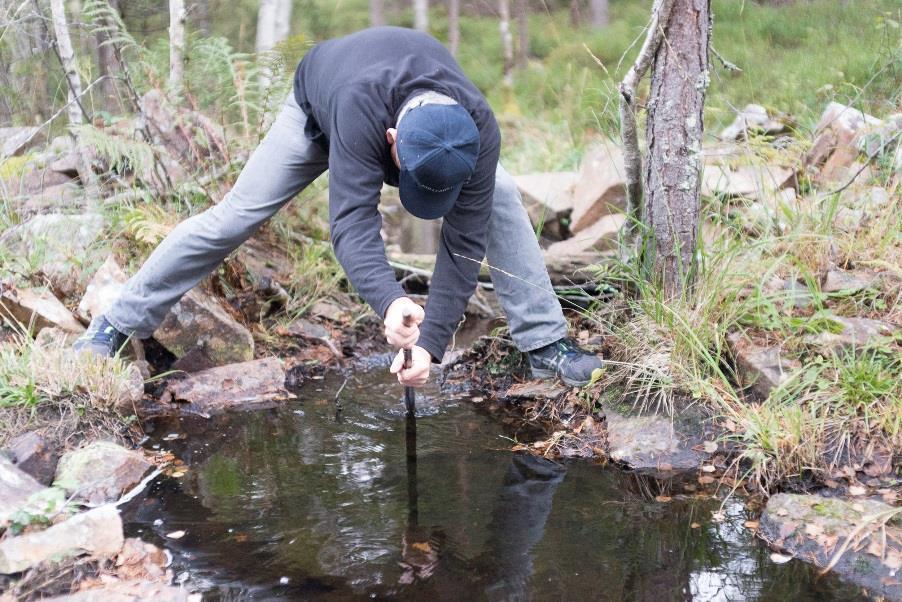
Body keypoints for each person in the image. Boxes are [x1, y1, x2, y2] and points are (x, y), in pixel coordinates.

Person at [75, 26, 603, 387]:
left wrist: (433, 343)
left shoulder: (477, 127)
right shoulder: (360, 109)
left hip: (399, 106)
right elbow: (351, 223)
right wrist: (391, 302)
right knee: (237, 213)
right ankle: (117, 322)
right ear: (392, 141)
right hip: (321, 102)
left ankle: (546, 347)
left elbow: (464, 241)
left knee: (503, 197)